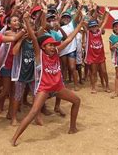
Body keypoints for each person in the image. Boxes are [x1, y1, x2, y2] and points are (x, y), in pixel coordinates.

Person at [11, 10, 84, 146]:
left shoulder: (56, 52)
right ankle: (14, 137)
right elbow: (33, 38)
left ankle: (72, 128)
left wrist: (79, 25)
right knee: (33, 112)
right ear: (43, 47)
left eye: (53, 45)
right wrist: (27, 21)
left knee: (77, 101)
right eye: (49, 45)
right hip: (44, 88)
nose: (52, 47)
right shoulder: (39, 54)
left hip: (58, 87)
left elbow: (68, 39)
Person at [84, 7, 110, 93]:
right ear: (89, 28)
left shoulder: (99, 32)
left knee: (104, 71)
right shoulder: (88, 33)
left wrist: (107, 12)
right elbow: (84, 24)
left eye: (95, 26)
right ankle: (93, 87)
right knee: (94, 72)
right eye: (92, 27)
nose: (94, 27)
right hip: (92, 57)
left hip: (101, 56)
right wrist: (90, 11)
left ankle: (107, 85)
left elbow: (105, 21)